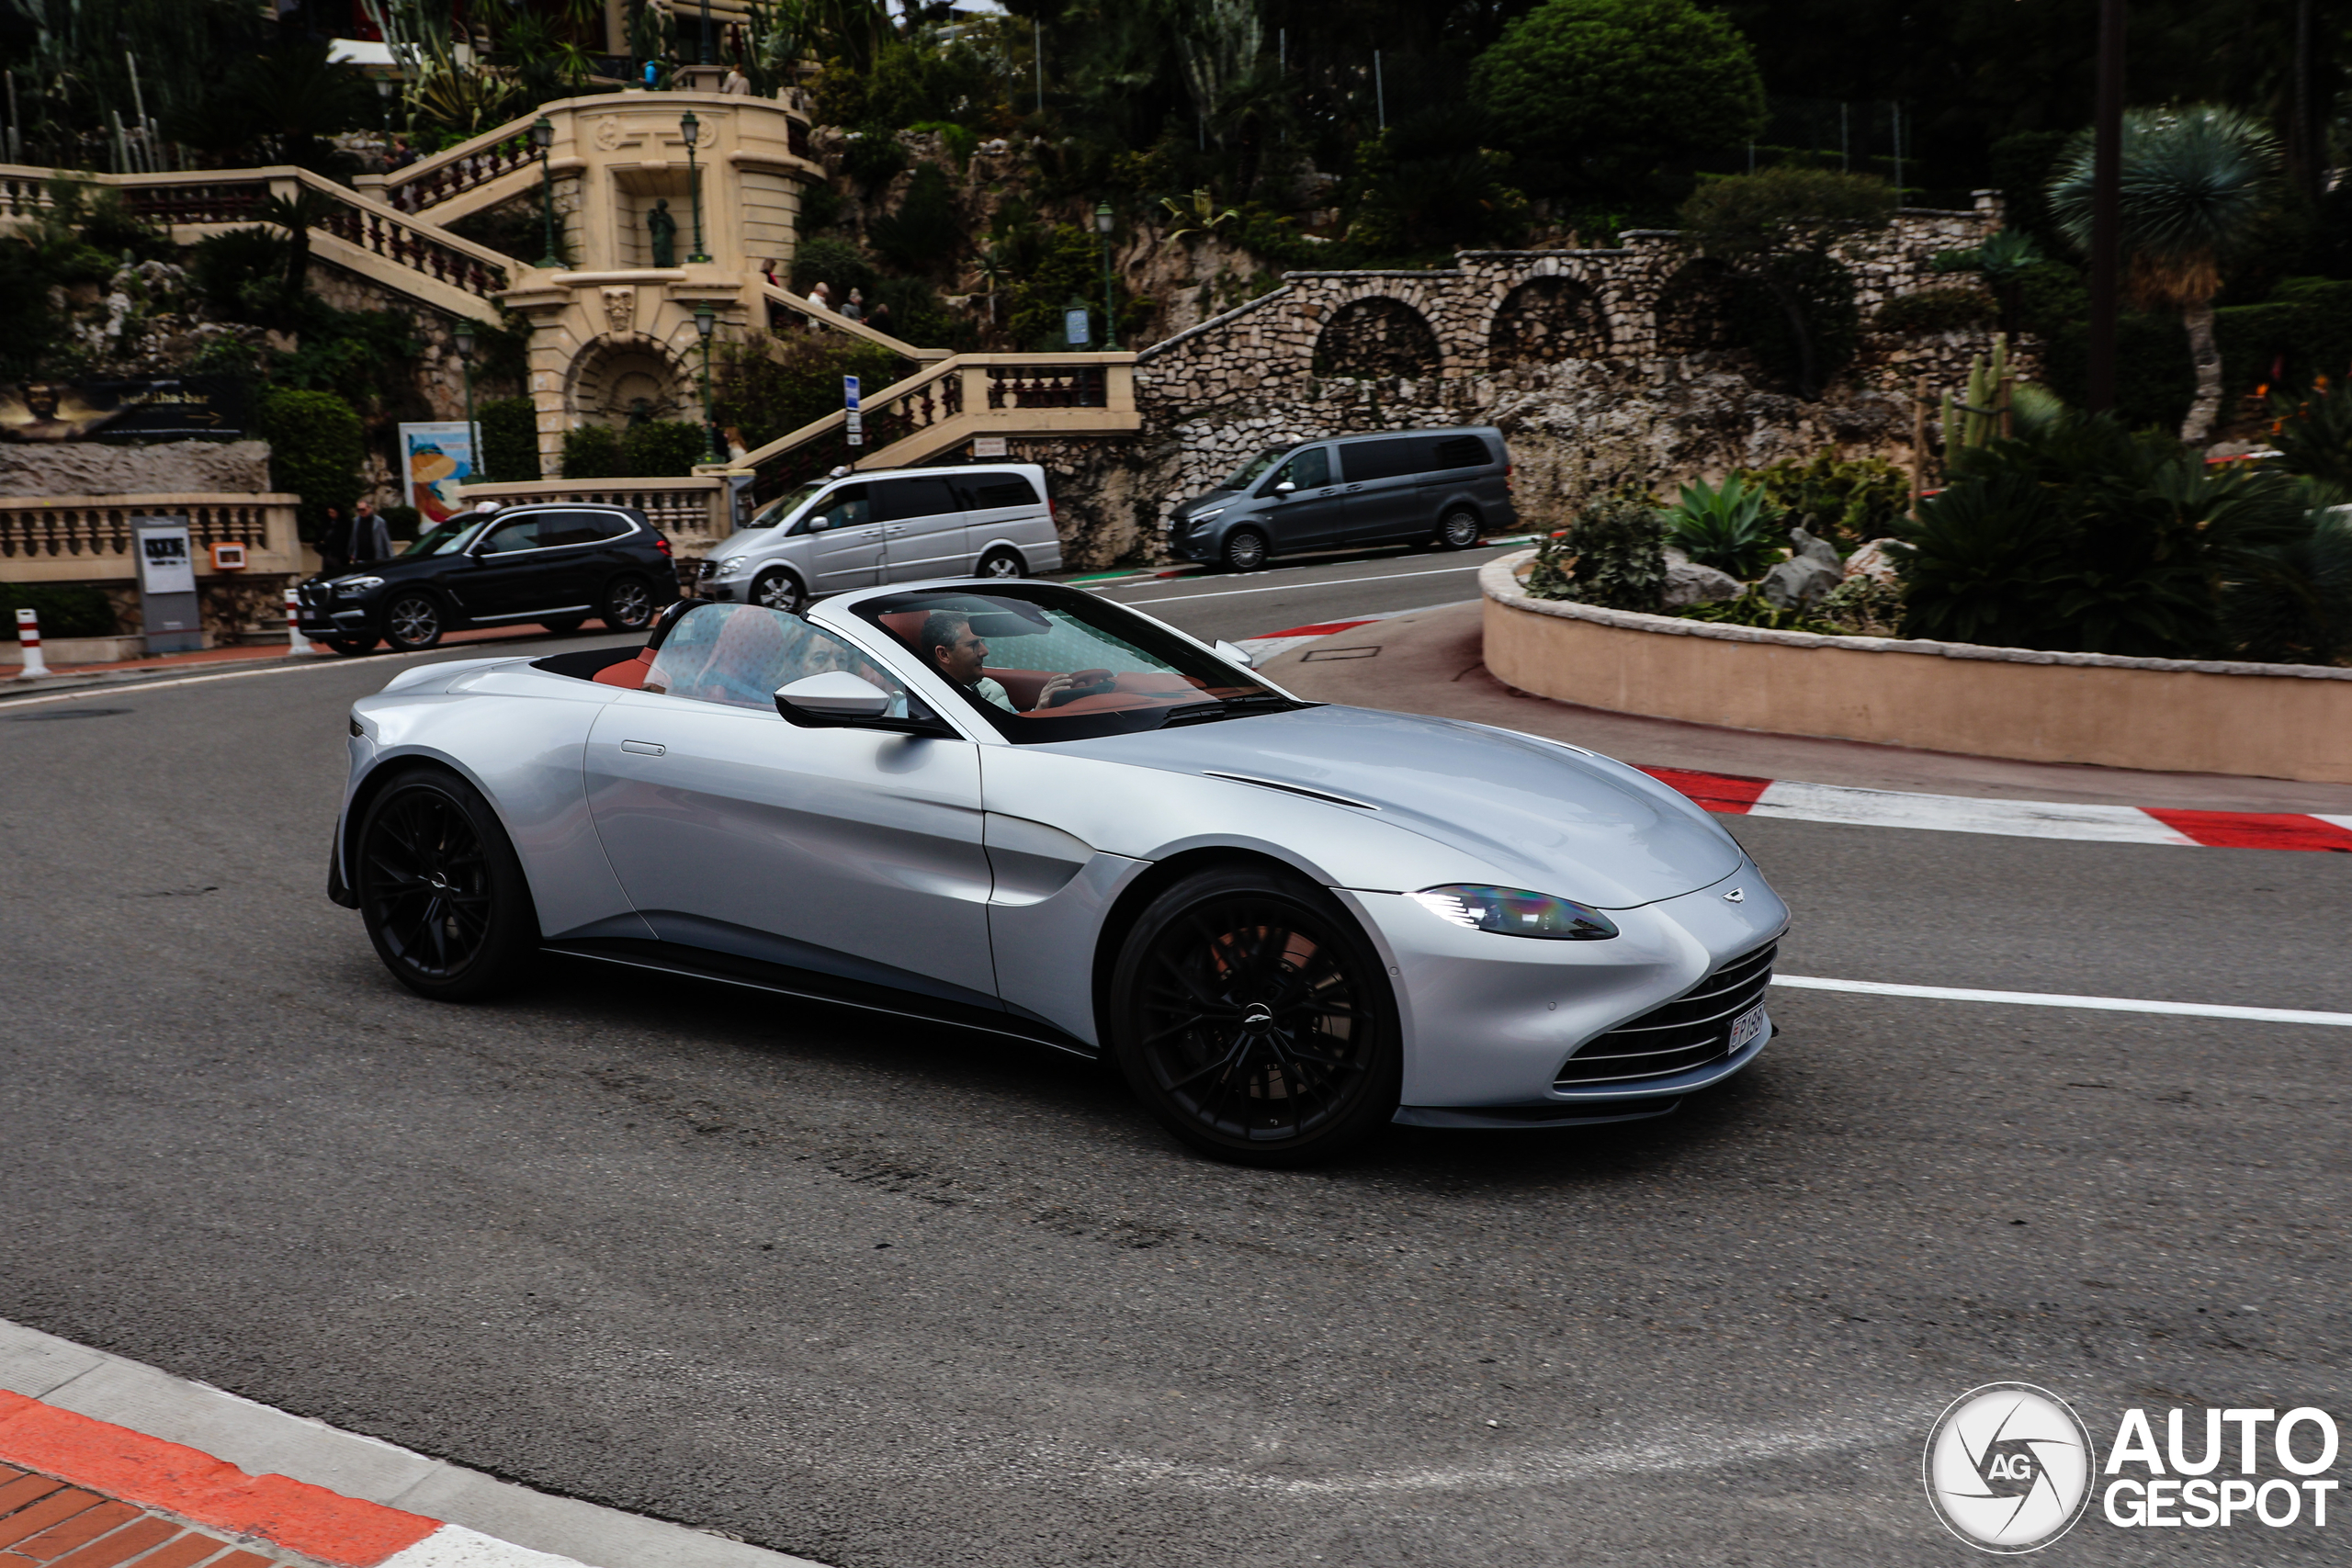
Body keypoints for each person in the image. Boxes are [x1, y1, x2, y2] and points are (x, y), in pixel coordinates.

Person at [916, 610, 1073, 712]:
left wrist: (1040, 709)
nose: (985, 651)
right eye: (973, 645)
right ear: (943, 654)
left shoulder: (992, 688)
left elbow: (1015, 734)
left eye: (982, 642)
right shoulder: (922, 708)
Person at [351, 499, 392, 564]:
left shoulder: (379, 522)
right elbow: (353, 538)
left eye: (363, 509)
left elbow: (386, 541)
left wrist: (390, 557)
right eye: (359, 510)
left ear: (369, 508)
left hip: (375, 557)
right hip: (359, 558)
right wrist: (351, 552)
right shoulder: (355, 522)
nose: (361, 512)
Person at [315, 505, 351, 577]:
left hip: (341, 556)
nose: (331, 515)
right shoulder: (327, 523)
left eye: (333, 512)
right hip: (328, 555)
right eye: (330, 512)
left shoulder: (346, 523)